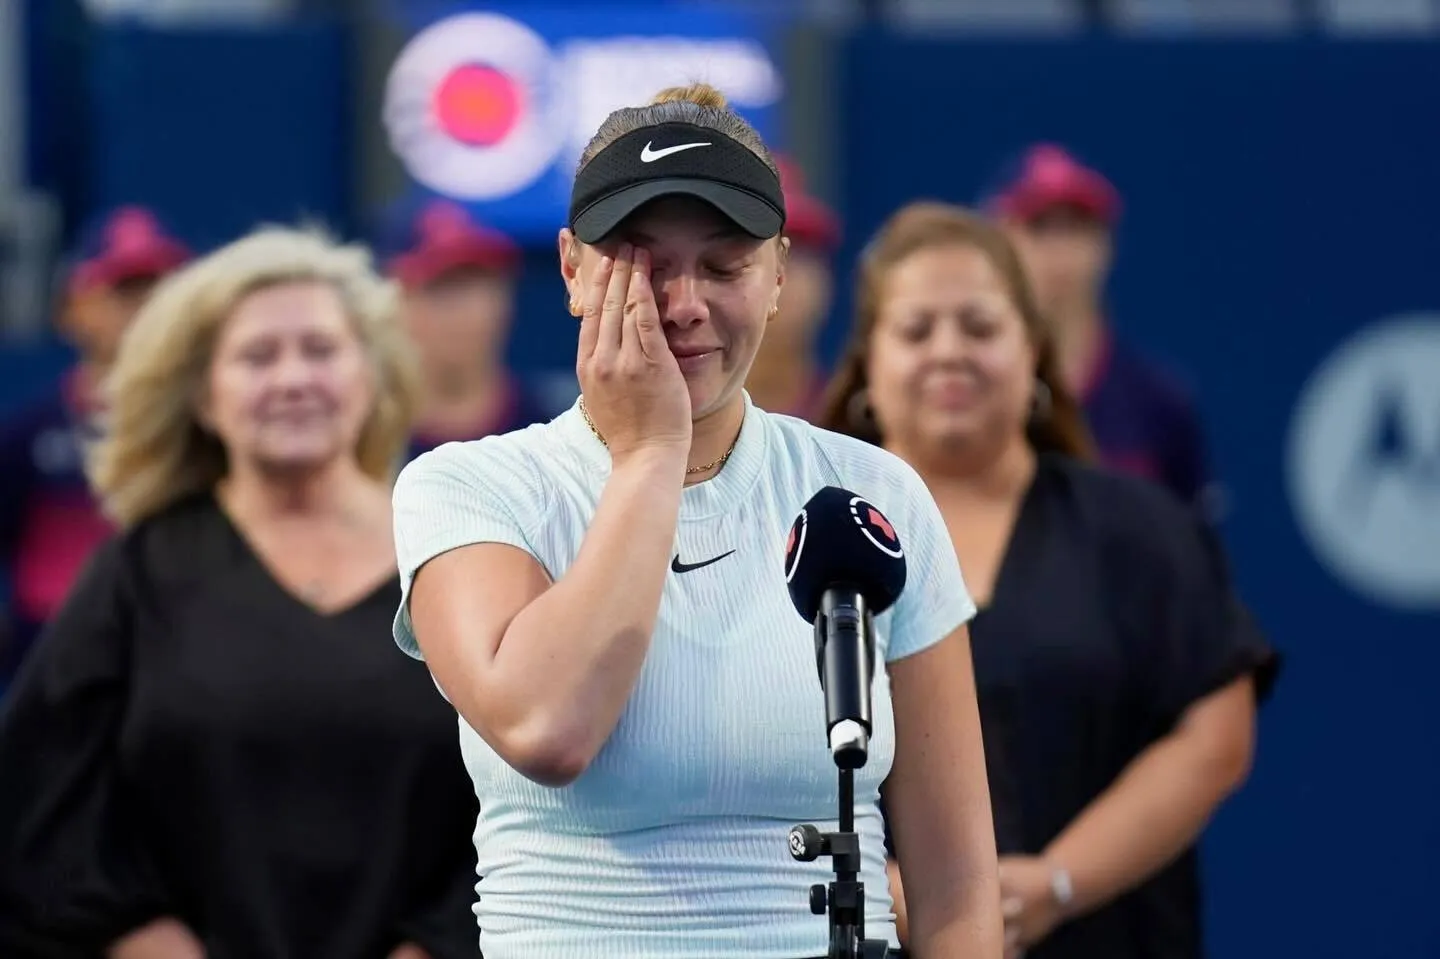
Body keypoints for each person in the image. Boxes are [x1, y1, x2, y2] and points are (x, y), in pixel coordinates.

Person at [390, 84, 1003, 959]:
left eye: (724, 267)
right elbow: (547, 727)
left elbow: (957, 886)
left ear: (781, 273)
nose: (681, 303)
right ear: (571, 269)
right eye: (640, 266)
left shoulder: (878, 492)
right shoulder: (470, 486)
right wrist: (649, 455)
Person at [0, 227, 483, 959]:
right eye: (257, 356)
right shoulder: (135, 576)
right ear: (201, 395)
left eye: (320, 349)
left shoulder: (461, 555)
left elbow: (542, 797)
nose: (292, 378)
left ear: (373, 374)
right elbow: (42, 809)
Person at [819, 201, 1278, 959]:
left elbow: (1214, 735)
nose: (948, 351)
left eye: (979, 326)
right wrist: (896, 888)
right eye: (915, 329)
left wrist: (1056, 883)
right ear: (868, 360)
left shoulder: (1138, 528)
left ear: (1034, 349)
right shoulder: (810, 535)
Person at [0, 205, 189, 690]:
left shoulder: (214, 434)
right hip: (50, 685)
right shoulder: (29, 437)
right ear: (71, 310)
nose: (149, 307)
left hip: (177, 684)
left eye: (165, 289)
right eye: (126, 290)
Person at [987, 144, 1215, 511]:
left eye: (1076, 228)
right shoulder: (973, 395)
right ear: (1000, 240)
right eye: (1039, 227)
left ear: (1105, 245)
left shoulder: (1159, 404)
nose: (1059, 251)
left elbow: (1194, 552)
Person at [378, 198, 553, 461]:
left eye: (477, 287)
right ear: (395, 303)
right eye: (440, 290)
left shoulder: (554, 434)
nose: (464, 314)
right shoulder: (362, 442)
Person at [742, 155, 840, 418]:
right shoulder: (668, 422)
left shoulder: (860, 421)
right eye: (755, 252)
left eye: (796, 251)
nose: (781, 274)